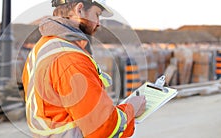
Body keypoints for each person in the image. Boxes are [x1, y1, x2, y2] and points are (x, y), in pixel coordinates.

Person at [22, 0, 146, 137]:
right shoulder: (70, 59)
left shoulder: (42, 47)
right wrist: (132, 108)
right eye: (97, 14)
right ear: (79, 10)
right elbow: (103, 128)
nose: (98, 23)